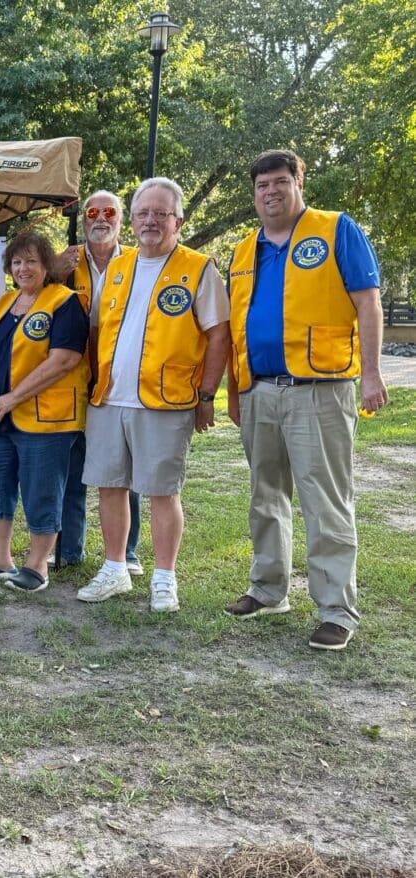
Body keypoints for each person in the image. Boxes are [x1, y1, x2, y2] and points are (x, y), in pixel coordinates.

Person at [223, 149, 387, 650]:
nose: (270, 192)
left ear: (299, 183)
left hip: (320, 390)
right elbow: (235, 326)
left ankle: (337, 609)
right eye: (261, 186)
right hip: (259, 390)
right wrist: (236, 389)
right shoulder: (243, 250)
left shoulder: (336, 229)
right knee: (265, 495)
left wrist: (373, 374)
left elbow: (368, 302)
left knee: (325, 500)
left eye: (280, 182)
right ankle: (268, 589)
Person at [77, 177, 230, 612]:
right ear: (133, 220)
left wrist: (206, 396)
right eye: (143, 213)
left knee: (162, 491)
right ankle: (115, 568)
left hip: (165, 400)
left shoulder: (199, 268)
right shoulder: (118, 268)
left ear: (177, 221)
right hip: (109, 398)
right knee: (110, 487)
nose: (150, 221)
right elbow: (96, 330)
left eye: (160, 214)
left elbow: (219, 336)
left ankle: (165, 578)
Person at [0, 231, 91, 592]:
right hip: (0, 418)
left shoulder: (65, 302)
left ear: (47, 264)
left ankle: (37, 567)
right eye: (17, 262)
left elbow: (64, 360)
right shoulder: (5, 302)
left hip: (46, 420)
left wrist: (12, 398)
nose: (23, 268)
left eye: (32, 261)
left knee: (41, 489)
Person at [56, 191, 144, 573]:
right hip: (74, 378)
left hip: (121, 379)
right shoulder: (67, 261)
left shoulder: (139, 261)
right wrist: (53, 271)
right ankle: (68, 550)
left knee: (124, 472)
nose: (101, 218)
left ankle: (128, 553)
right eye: (93, 211)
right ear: (84, 219)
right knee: (72, 467)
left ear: (122, 219)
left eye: (110, 211)